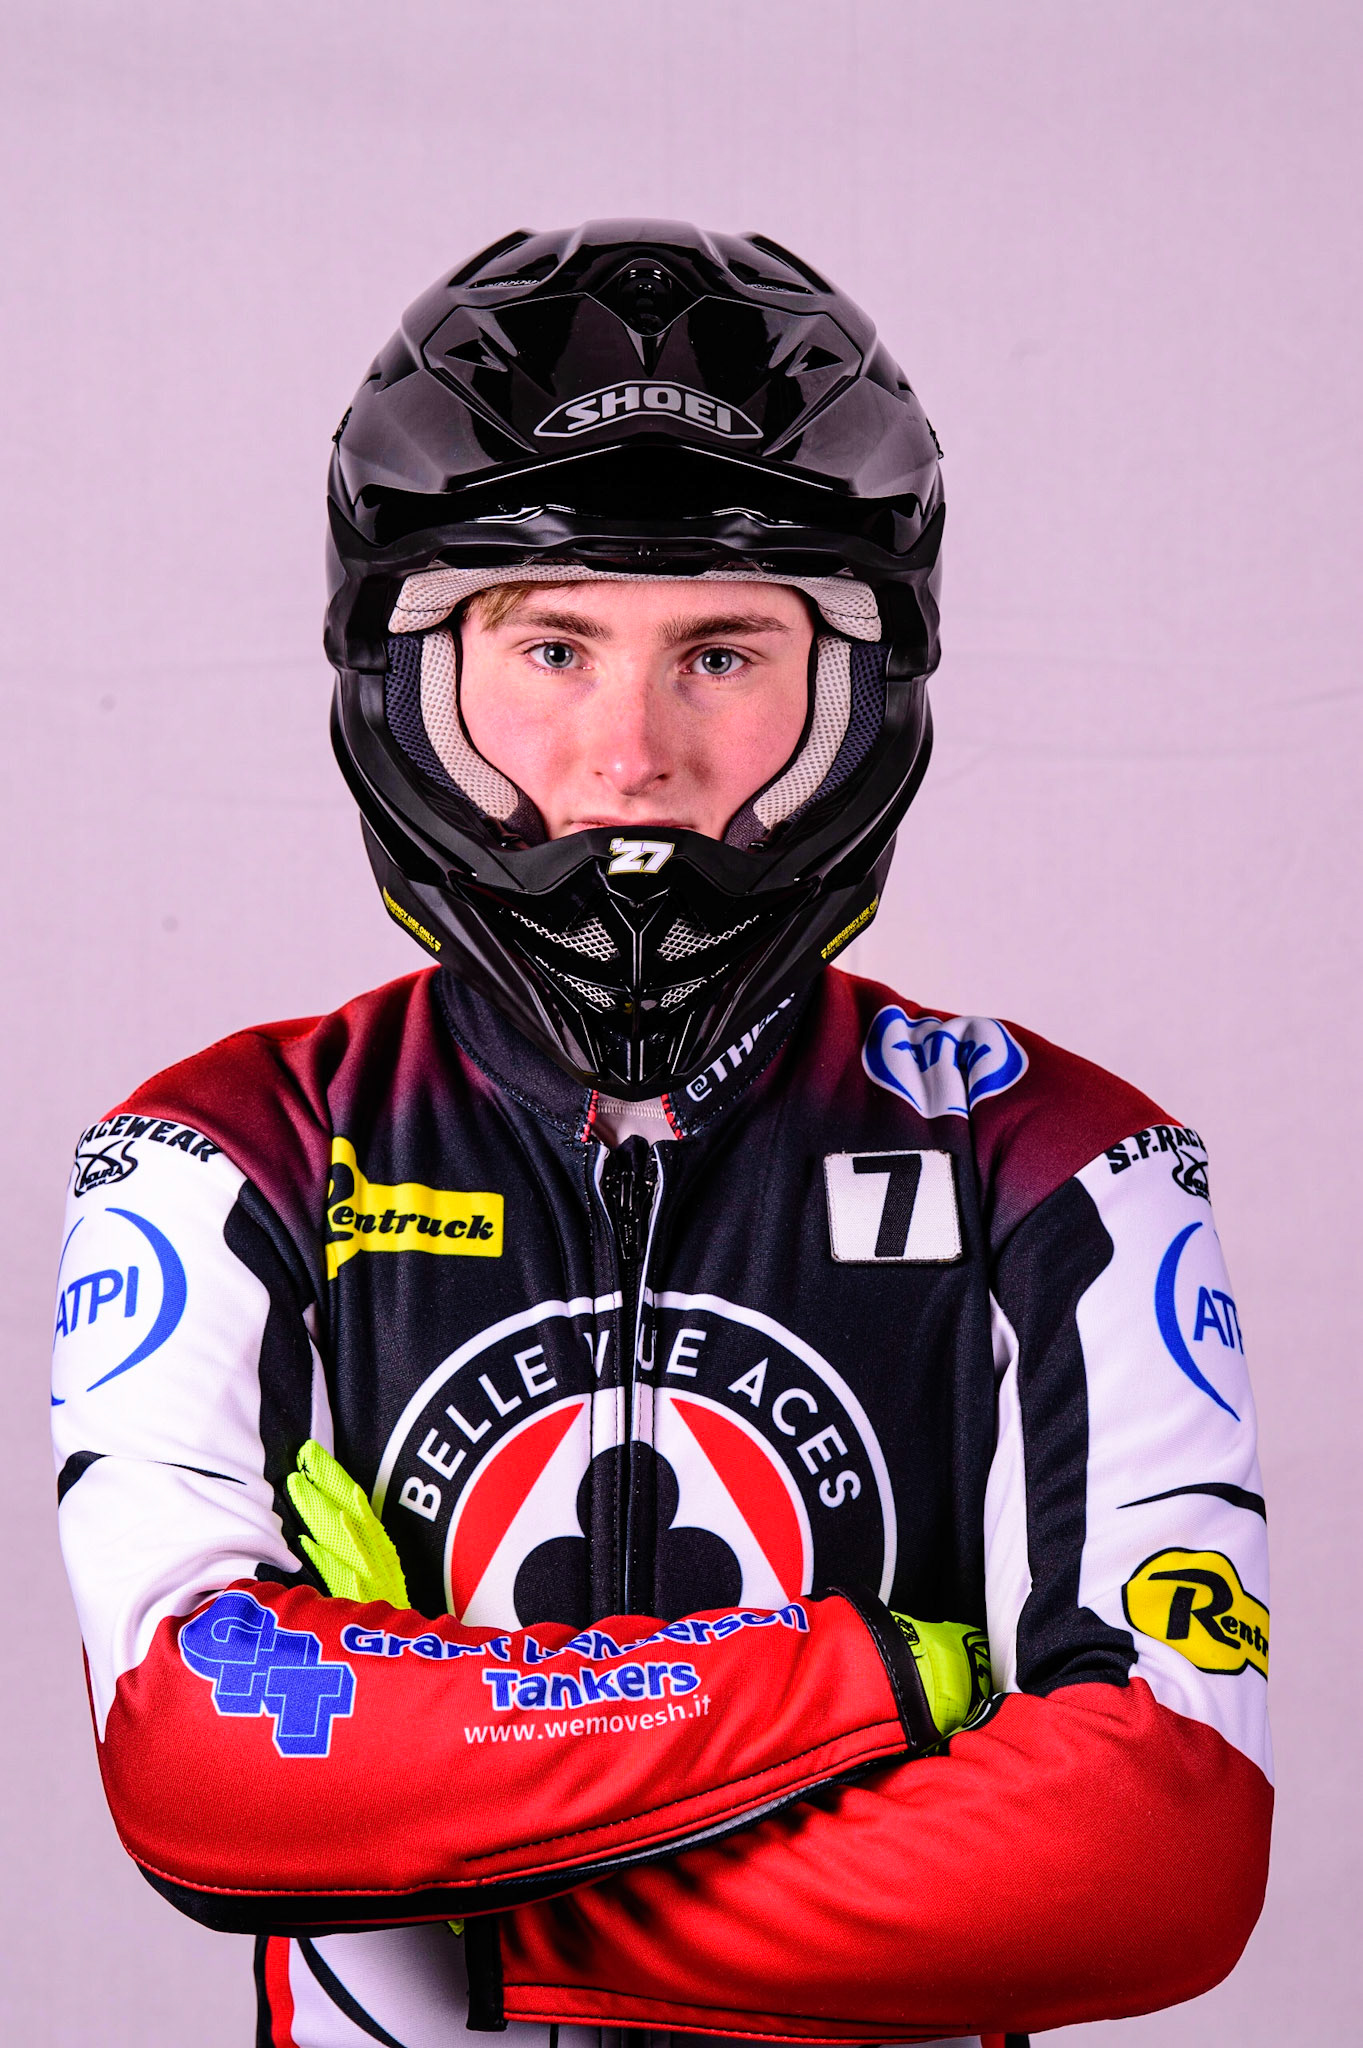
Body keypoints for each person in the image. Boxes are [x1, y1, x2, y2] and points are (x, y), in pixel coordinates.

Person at [52, 220, 1271, 2048]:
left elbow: (1152, 1852)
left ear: (847, 696)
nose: (629, 754)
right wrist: (881, 1681)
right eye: (549, 645)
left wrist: (452, 1860)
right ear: (418, 682)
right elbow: (205, 1768)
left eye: (720, 652)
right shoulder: (226, 1152)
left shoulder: (1072, 1169)